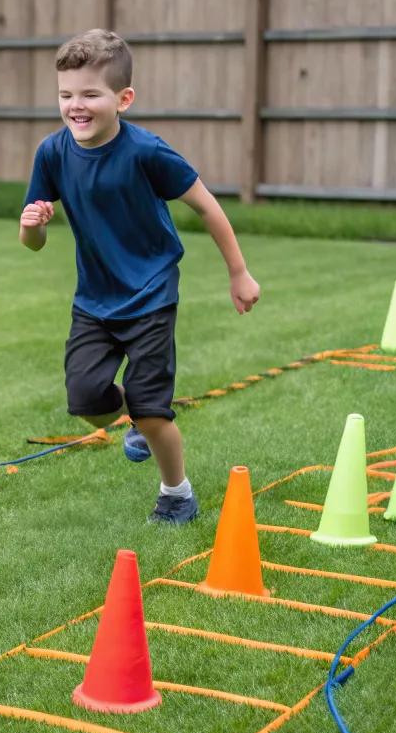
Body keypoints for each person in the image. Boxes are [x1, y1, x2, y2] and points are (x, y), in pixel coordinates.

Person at [20, 29, 260, 524]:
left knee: (154, 412)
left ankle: (177, 493)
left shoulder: (147, 151)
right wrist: (33, 228)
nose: (75, 106)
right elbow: (33, 243)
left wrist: (239, 273)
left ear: (123, 99)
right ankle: (135, 414)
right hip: (94, 300)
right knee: (85, 399)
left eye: (90, 94)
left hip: (151, 293)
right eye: (66, 95)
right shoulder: (52, 153)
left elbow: (207, 208)